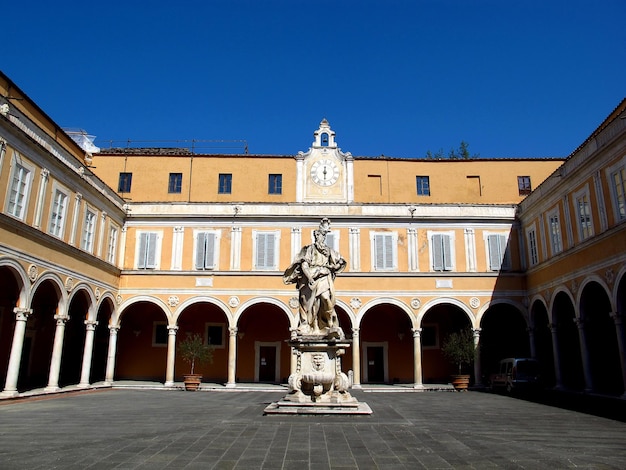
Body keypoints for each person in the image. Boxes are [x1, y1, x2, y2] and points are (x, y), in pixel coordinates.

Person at [283, 219, 346, 336]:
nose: (320, 238)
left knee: (326, 299)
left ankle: (329, 324)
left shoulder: (329, 251)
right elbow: (304, 264)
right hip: (311, 279)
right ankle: (315, 327)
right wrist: (309, 277)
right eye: (318, 236)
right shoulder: (310, 249)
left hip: (324, 278)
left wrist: (332, 266)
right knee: (313, 304)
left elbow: (340, 262)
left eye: (322, 236)